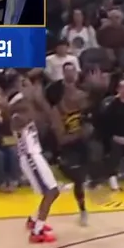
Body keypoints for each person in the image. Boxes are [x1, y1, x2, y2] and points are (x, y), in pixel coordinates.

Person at [12, 92, 61, 244]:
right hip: (30, 157)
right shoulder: (17, 118)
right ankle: (37, 232)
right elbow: (37, 113)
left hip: (34, 155)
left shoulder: (26, 114)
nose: (28, 102)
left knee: (51, 192)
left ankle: (34, 221)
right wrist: (32, 97)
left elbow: (44, 114)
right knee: (51, 192)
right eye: (24, 100)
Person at [51, 86, 93, 226]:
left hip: (82, 147)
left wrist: (88, 129)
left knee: (80, 181)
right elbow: (61, 139)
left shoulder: (82, 107)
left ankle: (83, 209)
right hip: (66, 149)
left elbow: (89, 126)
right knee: (77, 179)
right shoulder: (56, 111)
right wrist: (80, 133)